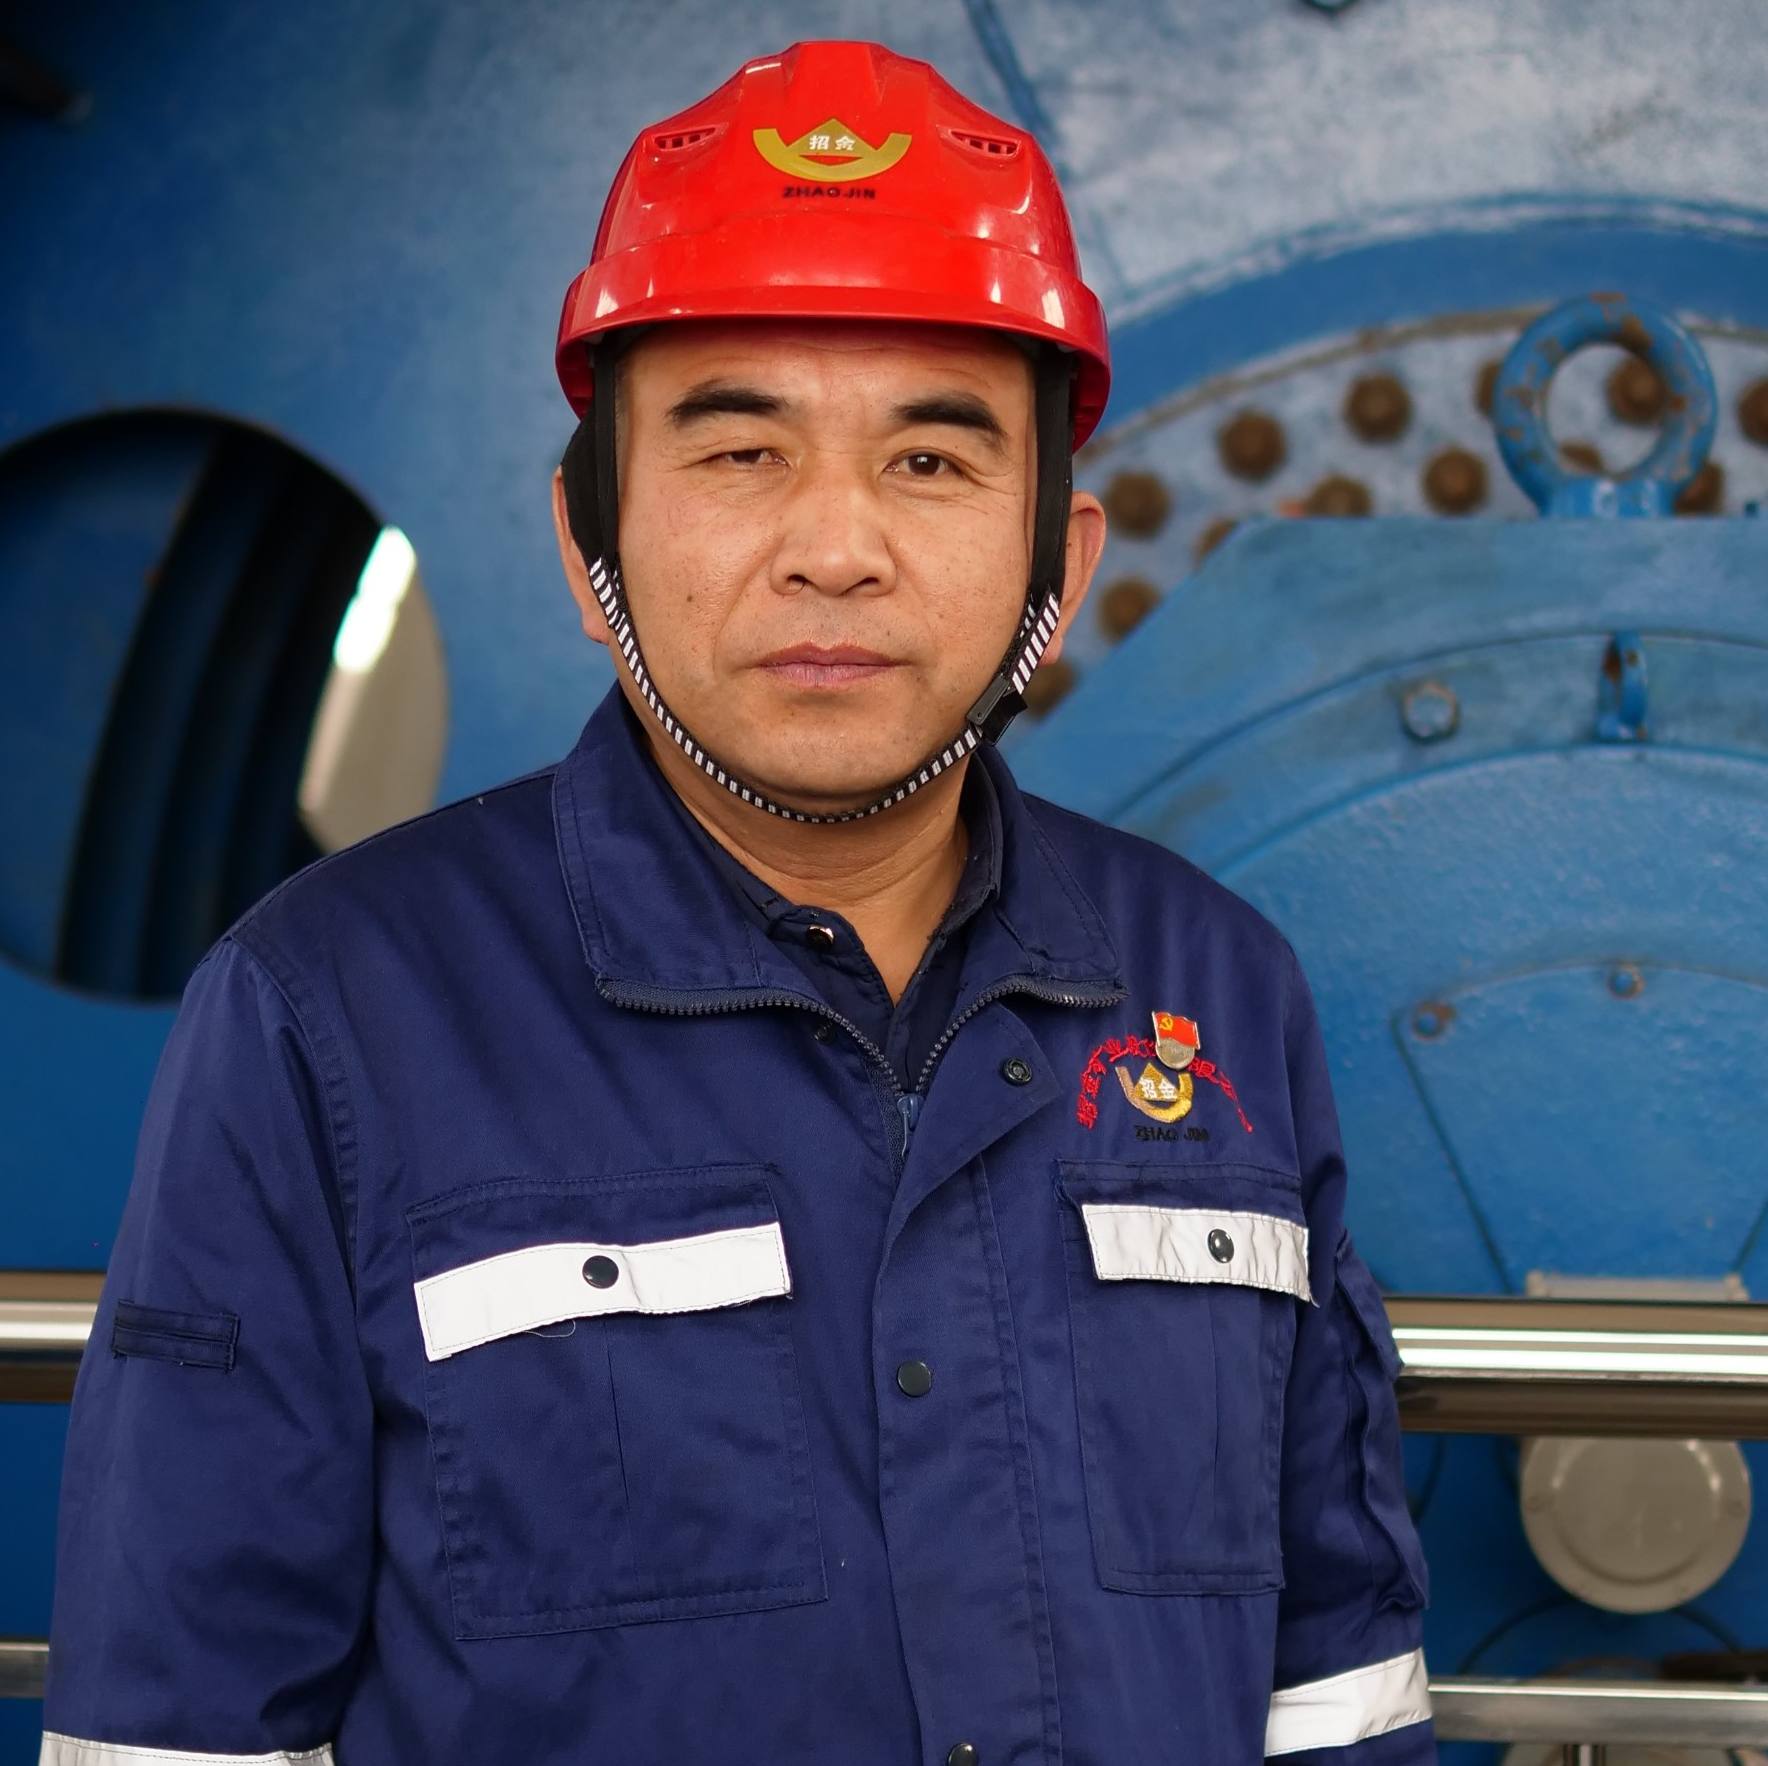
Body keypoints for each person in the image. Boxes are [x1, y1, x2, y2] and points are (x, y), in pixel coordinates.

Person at [39, 38, 1434, 1766]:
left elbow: (1336, 1685)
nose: (834, 546)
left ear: (1058, 565)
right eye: (741, 451)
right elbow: (180, 1726)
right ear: (589, 544)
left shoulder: (1214, 988)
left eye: (932, 462)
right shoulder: (330, 1016)